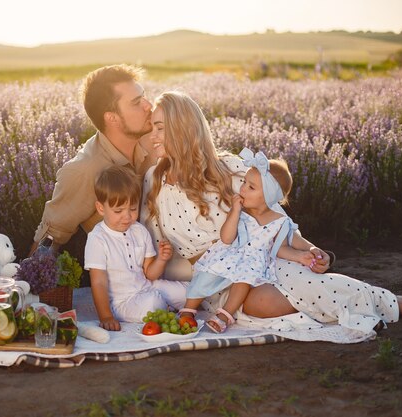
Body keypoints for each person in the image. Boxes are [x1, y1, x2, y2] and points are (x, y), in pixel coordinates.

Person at [141, 90, 402, 334]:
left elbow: (272, 216)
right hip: (213, 280)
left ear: (182, 129)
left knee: (304, 283)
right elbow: (154, 248)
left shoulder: (228, 169)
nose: (152, 135)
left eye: (159, 127)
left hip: (262, 258)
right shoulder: (154, 181)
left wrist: (310, 248)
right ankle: (363, 309)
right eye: (151, 127)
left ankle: (401, 304)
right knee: (265, 305)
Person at [30, 64, 156, 255]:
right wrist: (28, 280)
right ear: (112, 118)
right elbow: (49, 239)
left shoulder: (155, 138)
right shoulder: (85, 170)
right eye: (137, 102)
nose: (148, 105)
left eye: (144, 96)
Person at [187, 149, 316, 333]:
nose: (242, 189)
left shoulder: (280, 222)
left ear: (268, 197)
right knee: (207, 274)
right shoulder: (242, 213)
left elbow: (280, 249)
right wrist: (234, 212)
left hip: (252, 262)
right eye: (244, 183)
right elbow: (226, 238)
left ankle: (225, 315)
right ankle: (188, 308)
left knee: (243, 280)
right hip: (230, 253)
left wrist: (302, 256)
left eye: (251, 187)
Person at [84, 165, 187, 331]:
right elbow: (98, 282)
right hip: (123, 301)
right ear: (101, 208)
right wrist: (106, 317)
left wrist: (161, 259)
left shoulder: (139, 230)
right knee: (153, 303)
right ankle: (168, 308)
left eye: (133, 209)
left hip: (147, 286)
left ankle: (170, 306)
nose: (127, 216)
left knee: (188, 292)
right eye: (118, 210)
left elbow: (150, 274)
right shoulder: (98, 239)